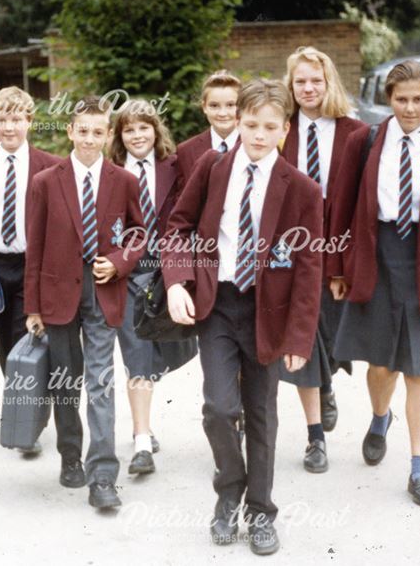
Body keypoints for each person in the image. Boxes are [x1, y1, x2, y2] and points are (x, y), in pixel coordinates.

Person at [164, 79, 323, 555]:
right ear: (238, 121)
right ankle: (227, 493)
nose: (257, 135)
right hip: (218, 305)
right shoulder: (213, 167)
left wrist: (299, 337)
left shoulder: (302, 189)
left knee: (260, 414)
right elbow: (179, 225)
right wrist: (175, 281)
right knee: (219, 407)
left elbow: (310, 267)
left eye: (269, 127)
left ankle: (261, 511)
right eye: (250, 124)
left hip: (267, 313)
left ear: (284, 129)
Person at [327, 60, 420, 507]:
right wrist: (336, 268)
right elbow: (340, 207)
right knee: (381, 366)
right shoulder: (364, 141)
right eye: (401, 99)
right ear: (388, 100)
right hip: (376, 258)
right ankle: (379, 416)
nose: (410, 108)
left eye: (418, 99)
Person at [24, 96, 146, 510]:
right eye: (83, 131)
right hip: (57, 295)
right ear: (70, 131)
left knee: (100, 382)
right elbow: (35, 246)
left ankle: (104, 475)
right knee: (65, 380)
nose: (90, 139)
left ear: (108, 134)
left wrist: (117, 262)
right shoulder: (45, 181)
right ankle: (70, 455)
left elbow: (137, 235)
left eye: (99, 132)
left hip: (103, 293)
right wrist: (33, 308)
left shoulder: (124, 180)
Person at [278, 46, 367, 473]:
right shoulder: (280, 132)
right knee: (303, 337)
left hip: (336, 248)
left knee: (329, 337)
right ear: (290, 87)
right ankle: (316, 439)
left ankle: (328, 382)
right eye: (300, 81)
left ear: (328, 82)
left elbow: (361, 207)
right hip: (291, 251)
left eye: (315, 80)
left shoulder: (355, 133)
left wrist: (343, 265)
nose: (308, 88)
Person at [0, 87, 60, 455]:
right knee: (2, 344)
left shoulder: (49, 164)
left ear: (29, 122)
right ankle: (23, 409)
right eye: (2, 120)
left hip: (30, 264)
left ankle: (30, 423)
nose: (9, 127)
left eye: (16, 119)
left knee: (25, 339)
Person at [107, 99, 182, 475]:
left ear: (156, 130)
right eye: (129, 129)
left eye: (144, 127)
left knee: (169, 353)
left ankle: (145, 418)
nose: (137, 135)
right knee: (137, 355)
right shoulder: (112, 172)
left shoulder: (174, 167)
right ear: (120, 137)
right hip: (129, 274)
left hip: (170, 273)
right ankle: (141, 440)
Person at [176, 71, 242, 186]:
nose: (222, 113)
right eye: (214, 106)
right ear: (204, 107)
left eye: (231, 105)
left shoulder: (255, 145)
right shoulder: (186, 151)